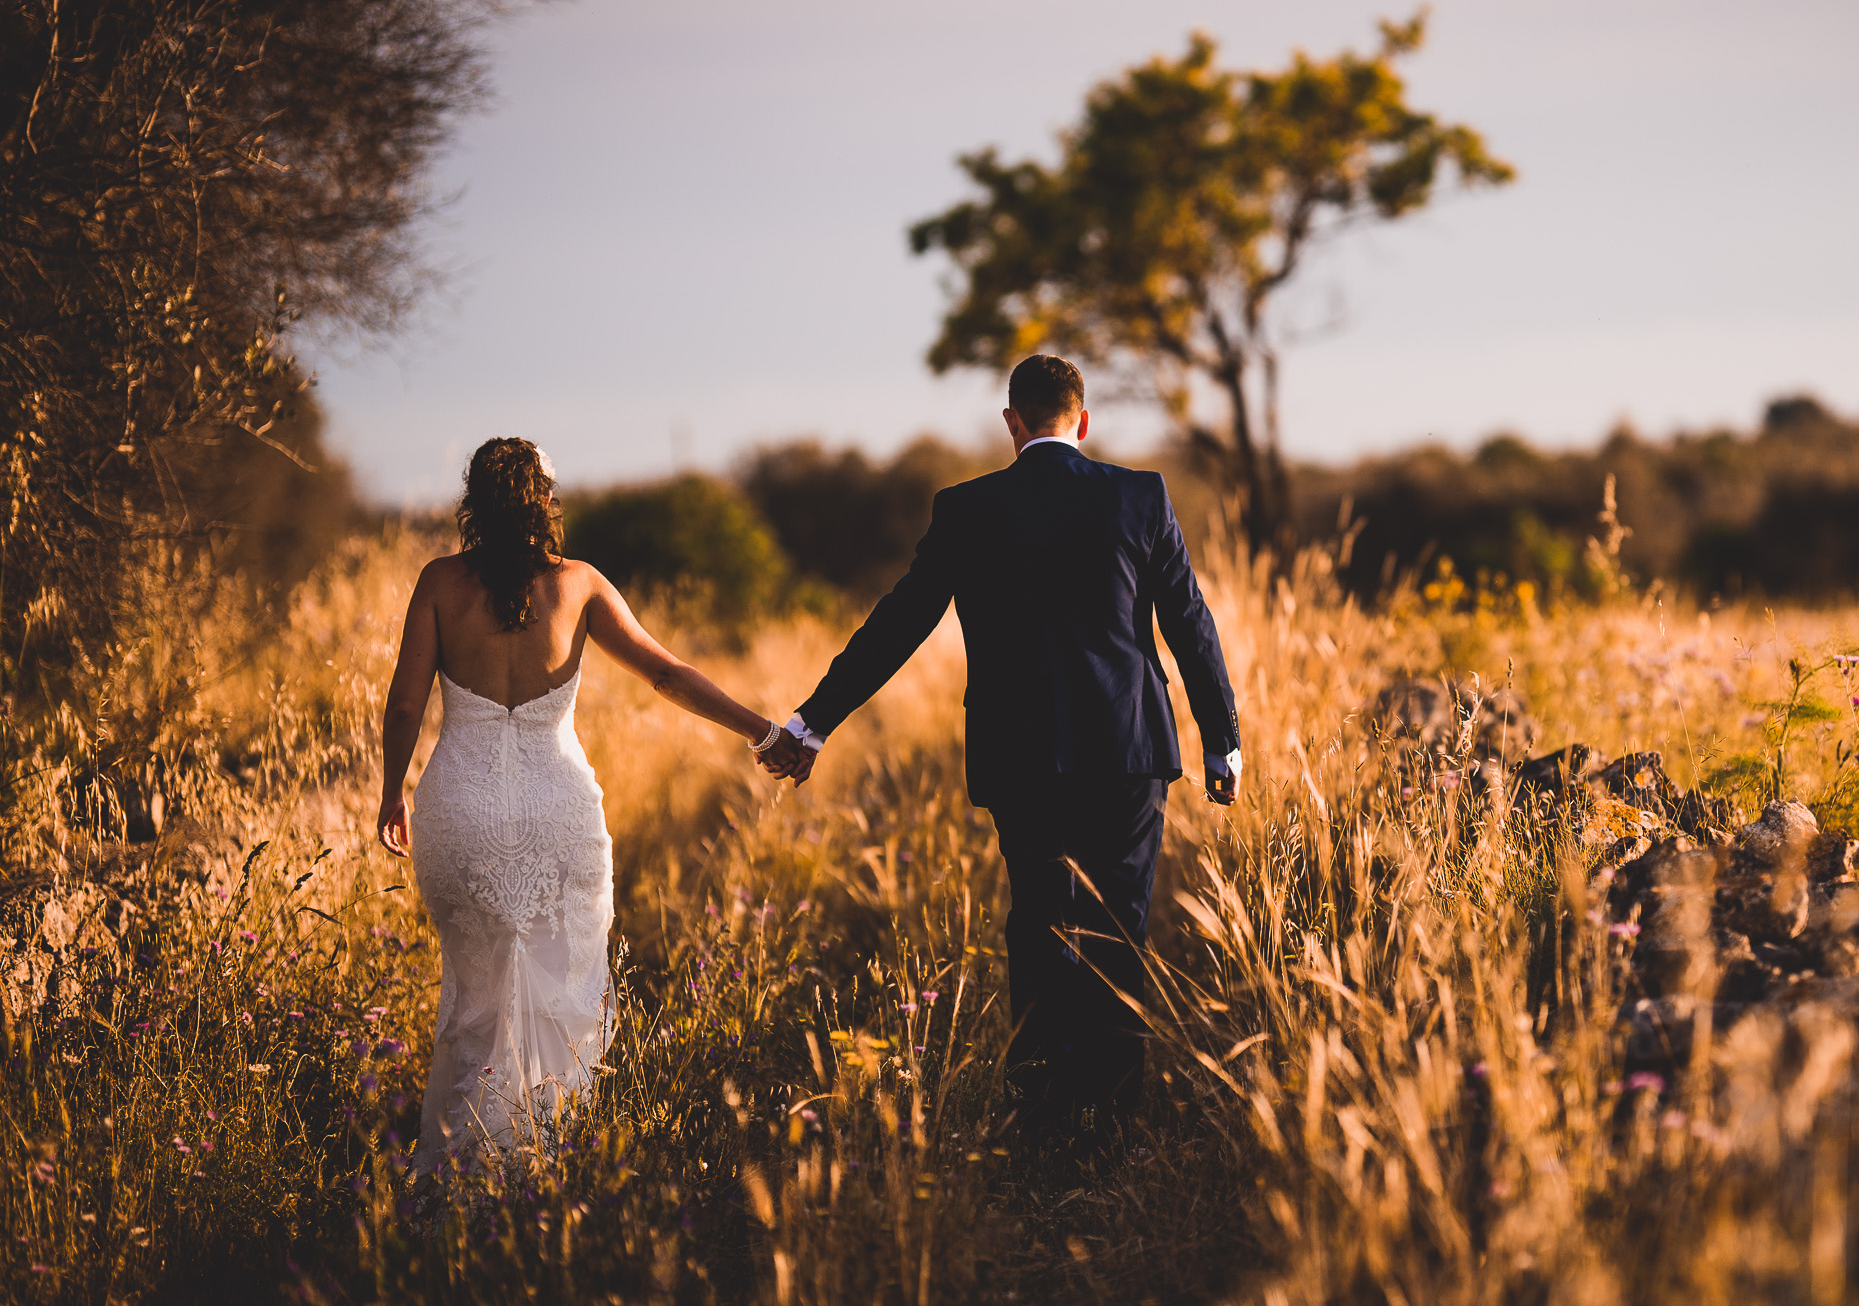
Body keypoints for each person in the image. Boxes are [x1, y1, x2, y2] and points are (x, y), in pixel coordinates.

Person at [756, 354, 1241, 1135]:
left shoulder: (968, 508)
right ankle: (1112, 1122)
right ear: (1082, 423)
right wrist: (1224, 739)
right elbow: (1189, 618)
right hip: (1127, 751)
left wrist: (815, 719)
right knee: (1121, 929)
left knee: (1042, 924)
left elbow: (899, 622)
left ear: (1012, 424)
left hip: (1022, 755)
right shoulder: (1138, 495)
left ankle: (1042, 1113)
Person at [376, 438, 783, 1173]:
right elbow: (665, 672)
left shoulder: (438, 582)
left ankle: (464, 1176)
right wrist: (762, 730)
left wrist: (389, 794)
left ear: (474, 501)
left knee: (476, 997)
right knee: (562, 994)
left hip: (459, 812)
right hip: (558, 814)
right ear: (545, 499)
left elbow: (405, 703)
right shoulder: (581, 585)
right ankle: (544, 1170)